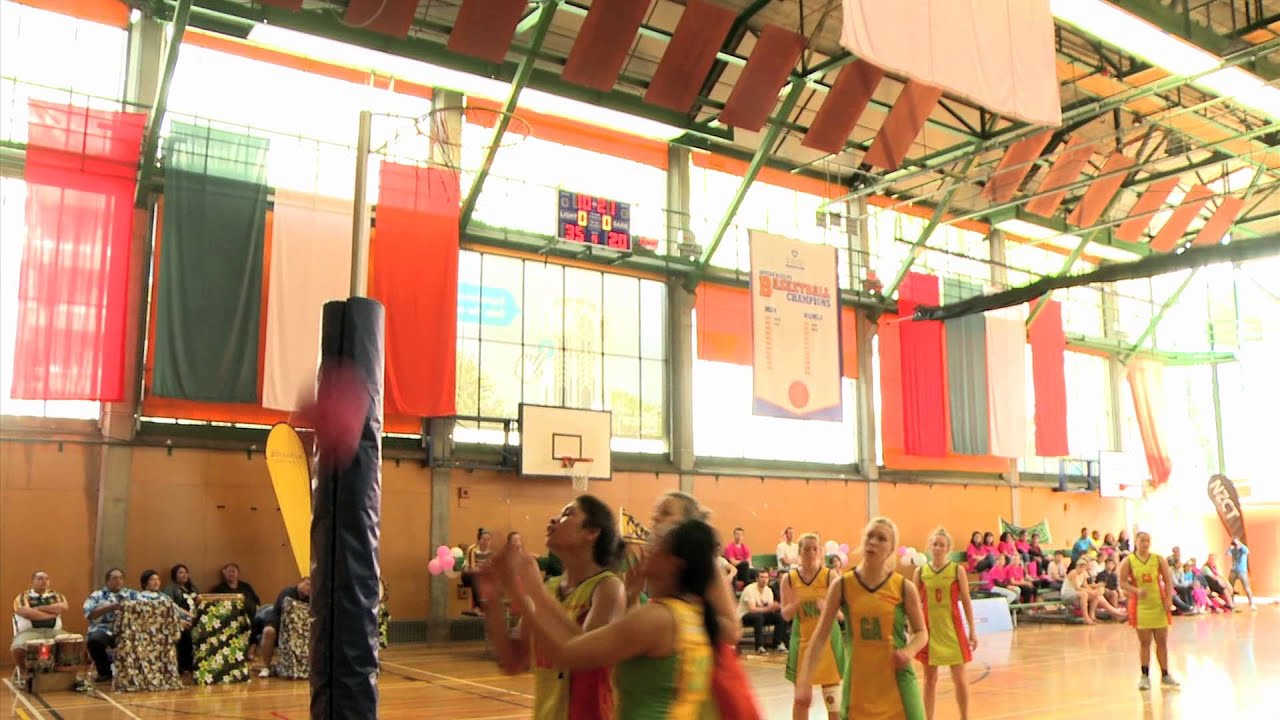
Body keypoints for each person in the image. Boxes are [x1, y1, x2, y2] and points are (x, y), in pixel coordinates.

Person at [501, 518, 717, 719]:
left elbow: (568, 654)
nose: (646, 549)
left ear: (674, 564)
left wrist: (533, 591)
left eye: (656, 545)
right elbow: (647, 667)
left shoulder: (657, 618)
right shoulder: (693, 612)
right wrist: (632, 597)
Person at [476, 495, 625, 720]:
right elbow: (514, 661)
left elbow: (584, 658)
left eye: (567, 514)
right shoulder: (551, 587)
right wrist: (492, 597)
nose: (554, 520)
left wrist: (529, 589)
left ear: (592, 532)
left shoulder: (608, 588)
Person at [795, 517, 927, 720]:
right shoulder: (842, 585)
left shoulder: (903, 587)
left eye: (881, 538)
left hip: (898, 685)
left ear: (891, 549)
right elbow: (820, 636)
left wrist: (908, 651)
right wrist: (804, 681)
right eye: (870, 536)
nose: (873, 541)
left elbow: (921, 633)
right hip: (859, 687)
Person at [647, 491, 761, 720]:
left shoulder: (707, 568)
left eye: (666, 513)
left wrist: (685, 618)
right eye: (655, 515)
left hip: (706, 675)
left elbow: (732, 631)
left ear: (688, 523)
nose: (657, 520)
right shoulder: (658, 565)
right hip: (671, 675)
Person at [914, 529, 976, 720]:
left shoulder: (957, 570)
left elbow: (966, 599)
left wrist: (972, 630)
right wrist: (912, 628)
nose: (938, 547)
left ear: (948, 548)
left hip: (953, 632)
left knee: (960, 679)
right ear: (929, 547)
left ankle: (964, 717)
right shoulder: (921, 572)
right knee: (930, 680)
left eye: (942, 544)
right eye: (935, 544)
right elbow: (914, 602)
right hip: (929, 632)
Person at [781, 533, 844, 720]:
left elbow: (841, 616)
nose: (810, 552)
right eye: (806, 549)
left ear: (821, 552)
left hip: (828, 643)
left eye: (814, 548)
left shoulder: (830, 577)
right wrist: (796, 605)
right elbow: (785, 614)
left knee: (833, 700)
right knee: (801, 700)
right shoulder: (789, 579)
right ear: (799, 552)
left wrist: (828, 609)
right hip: (802, 641)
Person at [1117, 531, 1180, 691]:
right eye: (1142, 540)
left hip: (1158, 604)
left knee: (1162, 642)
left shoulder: (1158, 559)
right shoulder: (1128, 561)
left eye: (1148, 541)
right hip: (1140, 606)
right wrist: (1136, 590)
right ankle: (1144, 676)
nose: (1145, 544)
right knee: (1145, 643)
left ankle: (1165, 675)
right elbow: (1122, 582)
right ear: (1136, 542)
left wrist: (1168, 599)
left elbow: (1167, 580)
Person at [83, 568, 140, 682]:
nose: (118, 581)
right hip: (104, 628)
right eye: (114, 578)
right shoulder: (97, 595)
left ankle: (137, 673)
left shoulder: (132, 594)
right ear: (107, 581)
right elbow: (89, 614)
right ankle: (104, 672)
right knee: (94, 640)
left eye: (120, 578)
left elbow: (146, 607)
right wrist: (110, 607)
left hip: (127, 629)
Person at [11, 571, 69, 683]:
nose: (44, 581)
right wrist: (51, 614)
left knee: (73, 642)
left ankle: (63, 672)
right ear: (32, 582)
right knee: (17, 647)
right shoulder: (23, 596)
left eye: (47, 578)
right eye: (40, 578)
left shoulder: (56, 595)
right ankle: (23, 671)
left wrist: (39, 608)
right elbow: (27, 613)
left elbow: (63, 607)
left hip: (54, 631)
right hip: (30, 631)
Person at [257, 577, 312, 678]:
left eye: (312, 586)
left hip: (299, 628)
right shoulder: (287, 592)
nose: (309, 588)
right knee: (268, 631)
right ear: (300, 582)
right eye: (307, 584)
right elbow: (287, 609)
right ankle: (266, 667)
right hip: (279, 623)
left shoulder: (311, 598)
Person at [210, 563, 262, 655]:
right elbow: (214, 603)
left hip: (250, 614)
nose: (231, 574)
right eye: (229, 571)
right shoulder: (219, 588)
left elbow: (256, 600)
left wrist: (257, 608)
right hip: (231, 616)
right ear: (224, 573)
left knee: (256, 621)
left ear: (238, 573)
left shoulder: (246, 586)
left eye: (233, 571)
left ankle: (251, 649)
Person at [162, 564, 199, 673]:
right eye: (181, 572)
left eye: (186, 572)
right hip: (180, 619)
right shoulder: (170, 589)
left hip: (195, 617)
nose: (184, 575)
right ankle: (184, 665)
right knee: (187, 633)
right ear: (174, 575)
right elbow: (170, 606)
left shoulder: (192, 588)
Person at [739, 571, 786, 655]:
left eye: (766, 577)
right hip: (745, 615)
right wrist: (768, 608)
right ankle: (759, 646)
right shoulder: (749, 589)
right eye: (762, 577)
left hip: (761, 614)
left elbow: (769, 608)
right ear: (757, 579)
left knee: (779, 617)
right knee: (758, 617)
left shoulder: (768, 590)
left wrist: (775, 607)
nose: (764, 580)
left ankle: (777, 643)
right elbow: (752, 609)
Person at [1063, 557, 1122, 624]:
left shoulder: (1084, 573)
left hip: (1078, 593)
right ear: (1077, 566)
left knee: (1097, 595)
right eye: (1080, 566)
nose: (1082, 568)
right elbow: (1077, 588)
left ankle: (1093, 616)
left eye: (1083, 567)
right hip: (1068, 593)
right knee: (1084, 594)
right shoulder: (1073, 572)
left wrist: (1094, 592)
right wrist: (1091, 591)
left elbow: (1086, 586)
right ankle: (1086, 618)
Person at [462, 528, 495, 614]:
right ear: (479, 540)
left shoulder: (492, 551)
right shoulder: (472, 549)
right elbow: (472, 569)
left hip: (483, 575)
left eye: (488, 540)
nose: (486, 542)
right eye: (484, 539)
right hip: (468, 575)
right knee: (476, 578)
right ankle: (478, 607)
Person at [1226, 538, 1255, 610]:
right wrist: (1230, 547)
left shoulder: (1243, 549)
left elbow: (1247, 552)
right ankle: (1231, 603)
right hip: (1233, 570)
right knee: (1230, 587)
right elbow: (1227, 554)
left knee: (1246, 587)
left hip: (1242, 571)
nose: (1235, 545)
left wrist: (1240, 545)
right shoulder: (1233, 549)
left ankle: (1251, 603)